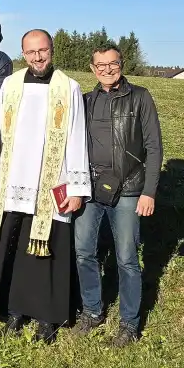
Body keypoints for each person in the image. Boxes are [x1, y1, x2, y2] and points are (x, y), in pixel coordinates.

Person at [0, 30, 90, 344]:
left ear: (51, 50)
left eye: (43, 50)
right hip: (14, 180)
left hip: (52, 183)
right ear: (23, 53)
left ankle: (47, 317)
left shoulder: (69, 88)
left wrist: (76, 188)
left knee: (49, 252)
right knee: (15, 248)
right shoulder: (12, 85)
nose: (38, 57)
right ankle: (14, 310)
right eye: (31, 52)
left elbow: (76, 136)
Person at [74, 43, 163, 347]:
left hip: (128, 189)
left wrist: (149, 191)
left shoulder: (140, 97)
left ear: (121, 64)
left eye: (112, 64)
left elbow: (154, 147)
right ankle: (92, 310)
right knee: (84, 251)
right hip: (90, 189)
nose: (107, 70)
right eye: (100, 65)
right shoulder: (85, 101)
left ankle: (129, 323)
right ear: (92, 69)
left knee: (126, 258)